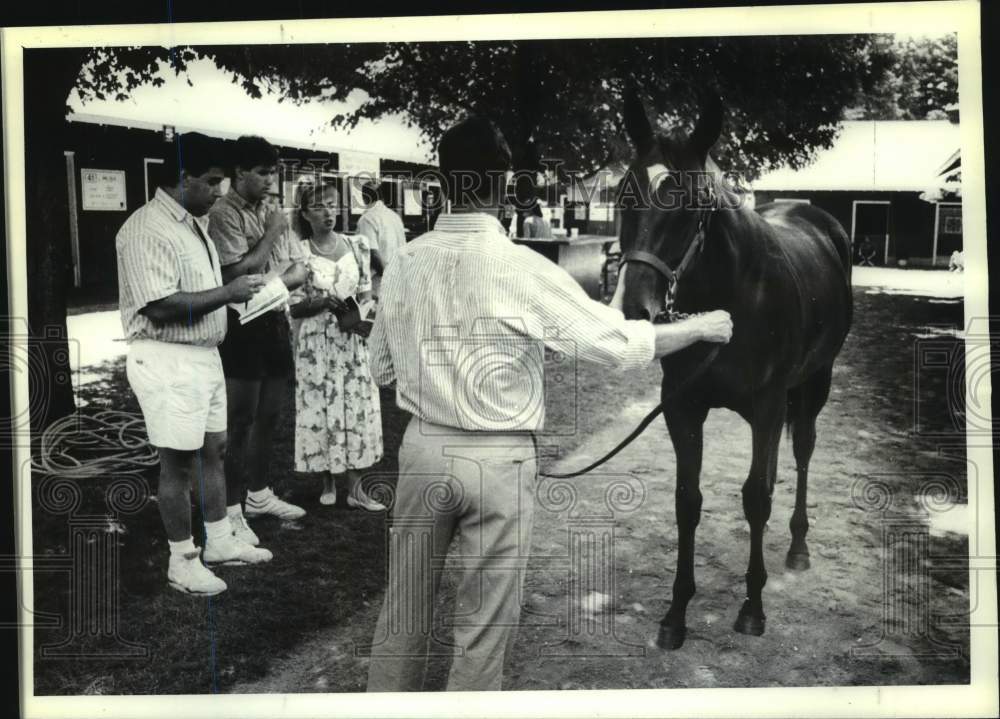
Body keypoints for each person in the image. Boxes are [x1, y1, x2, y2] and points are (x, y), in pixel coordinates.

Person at [365, 117, 733, 691]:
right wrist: (700, 327)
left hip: (422, 450)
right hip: (497, 459)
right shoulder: (524, 267)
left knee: (404, 609)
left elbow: (381, 368)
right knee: (484, 625)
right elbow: (616, 344)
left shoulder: (406, 262)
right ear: (503, 182)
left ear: (443, 180)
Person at [116, 132, 274, 597]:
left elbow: (203, 288)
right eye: (212, 182)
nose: (219, 192)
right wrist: (228, 293)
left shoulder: (192, 223)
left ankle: (219, 541)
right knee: (177, 462)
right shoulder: (146, 228)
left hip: (204, 355)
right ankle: (181, 560)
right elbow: (160, 306)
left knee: (214, 450)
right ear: (184, 177)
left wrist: (239, 293)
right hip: (167, 357)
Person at [208, 136, 309, 546]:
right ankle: (231, 509)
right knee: (240, 420)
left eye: (274, 173)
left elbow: (298, 268)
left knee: (269, 415)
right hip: (241, 326)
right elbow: (235, 275)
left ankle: (259, 495)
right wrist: (270, 237)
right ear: (240, 172)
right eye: (263, 173)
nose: (271, 181)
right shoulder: (223, 213)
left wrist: (269, 277)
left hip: (274, 320)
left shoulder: (271, 211)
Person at [288, 180, 386, 511]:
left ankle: (356, 490)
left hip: (351, 338)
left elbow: (367, 292)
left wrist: (364, 311)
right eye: (318, 207)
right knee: (321, 407)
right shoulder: (299, 251)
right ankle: (327, 479)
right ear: (305, 214)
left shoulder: (358, 245)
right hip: (317, 343)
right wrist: (320, 303)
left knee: (357, 407)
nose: (328, 213)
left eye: (332, 205)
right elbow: (292, 307)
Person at [356, 179, 407, 296]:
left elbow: (372, 253)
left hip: (379, 285)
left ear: (364, 198)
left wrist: (389, 279)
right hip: (398, 281)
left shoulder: (367, 219)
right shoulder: (395, 217)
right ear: (382, 197)